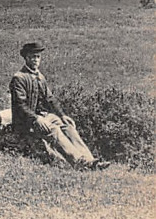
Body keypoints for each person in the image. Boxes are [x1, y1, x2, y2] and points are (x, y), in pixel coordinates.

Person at [9, 41, 110, 170]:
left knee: (67, 126)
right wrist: (36, 118)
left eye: (38, 57)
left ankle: (90, 160)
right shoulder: (19, 78)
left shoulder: (40, 77)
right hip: (26, 121)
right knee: (53, 130)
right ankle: (79, 162)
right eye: (32, 57)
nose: (35, 60)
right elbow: (20, 105)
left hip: (43, 116)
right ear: (26, 58)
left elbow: (50, 99)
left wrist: (62, 115)